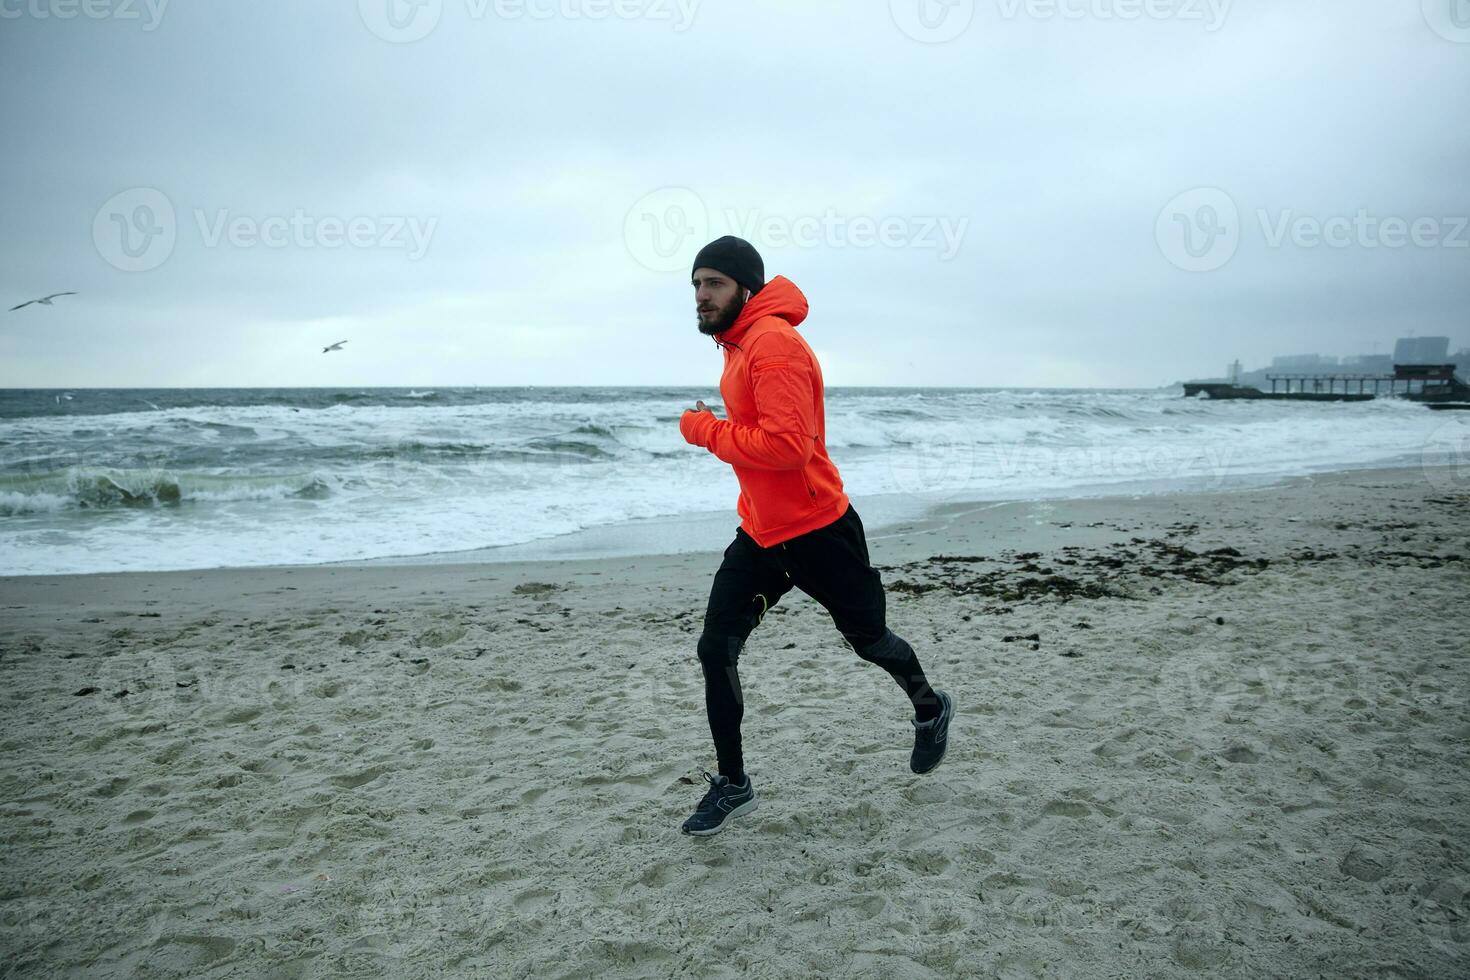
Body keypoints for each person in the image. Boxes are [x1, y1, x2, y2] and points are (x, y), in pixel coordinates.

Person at [677, 236, 954, 837]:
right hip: (762, 533)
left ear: (744, 288)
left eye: (714, 283)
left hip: (819, 531)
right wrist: (721, 428)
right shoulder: (739, 343)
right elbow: (761, 435)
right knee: (715, 647)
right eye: (696, 284)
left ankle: (930, 708)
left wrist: (704, 431)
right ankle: (733, 783)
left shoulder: (772, 344)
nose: (701, 295)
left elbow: (786, 448)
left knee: (870, 640)